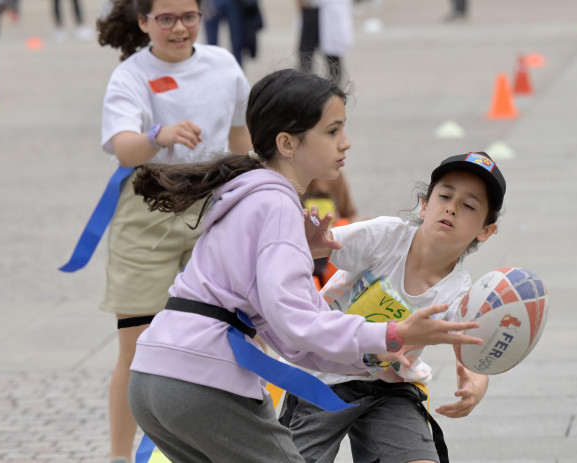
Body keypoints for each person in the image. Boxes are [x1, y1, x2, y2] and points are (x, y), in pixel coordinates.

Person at [127, 69, 485, 462]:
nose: (345, 142)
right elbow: (298, 324)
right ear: (287, 143)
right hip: (201, 379)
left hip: (152, 376)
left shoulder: (250, 194)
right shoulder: (278, 205)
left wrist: (369, 351)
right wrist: (393, 333)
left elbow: (292, 335)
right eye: (332, 131)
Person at [95, 0, 252, 461]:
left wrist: (263, 191)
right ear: (143, 22)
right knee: (137, 347)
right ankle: (120, 457)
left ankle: (223, 447)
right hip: (148, 214)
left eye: (189, 16)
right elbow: (124, 149)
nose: (179, 27)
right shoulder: (130, 75)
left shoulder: (223, 64)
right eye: (165, 18)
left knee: (229, 337)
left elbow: (241, 137)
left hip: (213, 211)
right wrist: (157, 136)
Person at [279, 151, 506, 463]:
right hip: (321, 375)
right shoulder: (386, 236)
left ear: (485, 230)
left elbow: (472, 350)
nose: (452, 208)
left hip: (389, 389)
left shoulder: (460, 292)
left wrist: (475, 386)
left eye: (468, 205)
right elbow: (324, 243)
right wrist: (312, 238)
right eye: (445, 195)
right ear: (425, 205)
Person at [296, 0, 352, 85]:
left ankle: (334, 89)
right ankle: (304, 87)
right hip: (312, 8)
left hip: (333, 9)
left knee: (333, 53)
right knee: (306, 52)